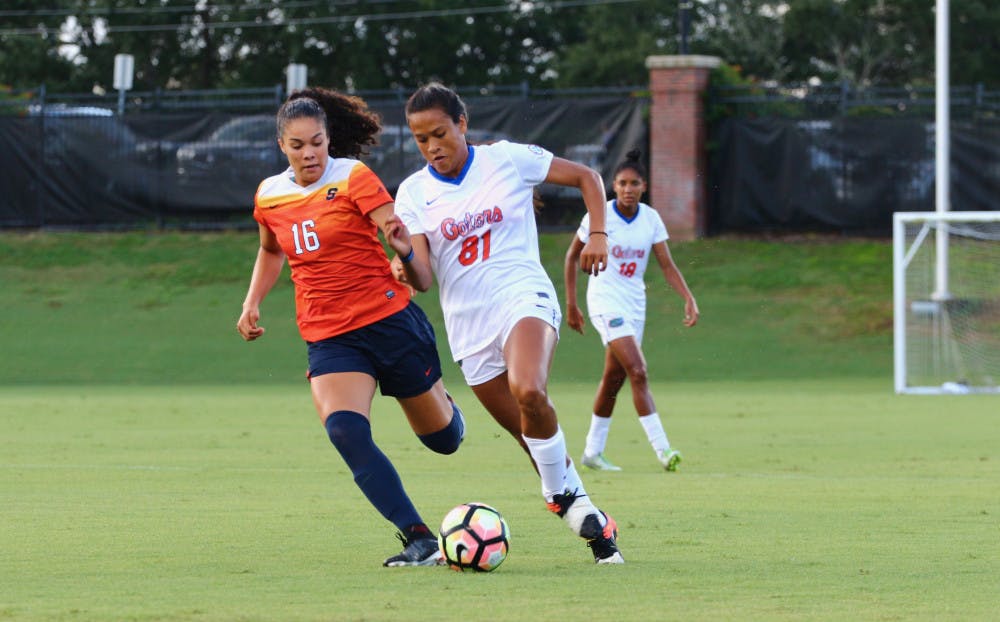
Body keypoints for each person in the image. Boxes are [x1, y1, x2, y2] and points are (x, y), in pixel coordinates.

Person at [388, 82, 623, 564]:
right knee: (536, 443)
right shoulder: (413, 193)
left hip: (523, 297)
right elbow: (425, 280)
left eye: (440, 134)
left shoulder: (507, 159)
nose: (433, 147)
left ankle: (560, 494)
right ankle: (593, 524)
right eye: (421, 140)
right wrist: (406, 255)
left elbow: (588, 178)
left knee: (530, 390)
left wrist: (599, 232)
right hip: (469, 330)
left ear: (463, 125)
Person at [236, 87, 465, 568]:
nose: (309, 153)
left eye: (317, 142)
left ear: (328, 140)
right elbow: (272, 249)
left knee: (443, 441)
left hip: (389, 322)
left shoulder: (354, 177)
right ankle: (419, 538)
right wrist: (252, 301)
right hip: (329, 335)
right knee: (344, 430)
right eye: (298, 145)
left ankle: (447, 405)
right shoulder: (269, 195)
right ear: (282, 146)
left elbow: (395, 230)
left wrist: (400, 244)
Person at [564, 149, 699, 472]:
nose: (627, 188)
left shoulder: (650, 218)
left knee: (614, 379)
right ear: (613, 185)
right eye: (622, 183)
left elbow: (667, 265)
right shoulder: (600, 216)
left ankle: (592, 452)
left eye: (634, 183)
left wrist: (688, 297)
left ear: (644, 186)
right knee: (638, 370)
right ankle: (664, 450)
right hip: (605, 302)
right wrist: (571, 304)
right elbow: (572, 257)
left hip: (635, 305)